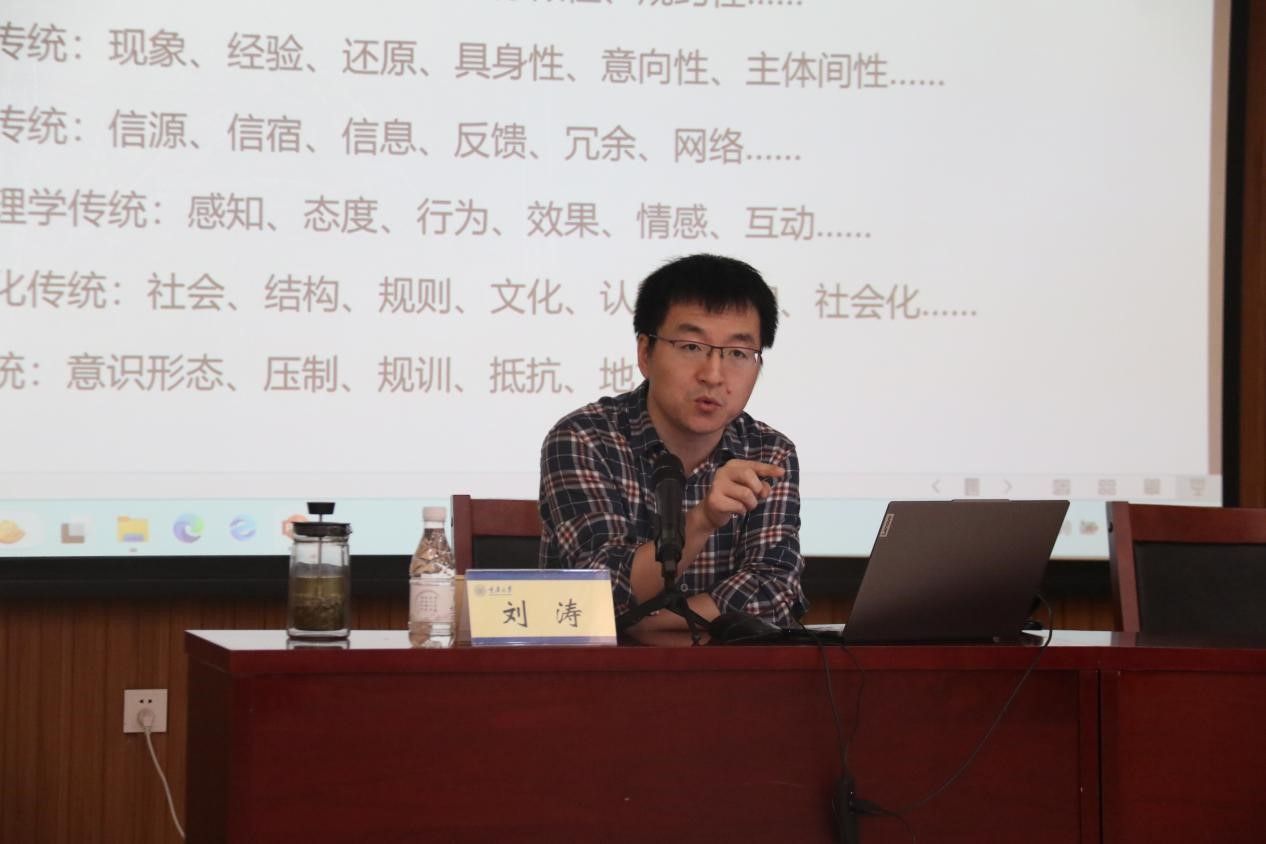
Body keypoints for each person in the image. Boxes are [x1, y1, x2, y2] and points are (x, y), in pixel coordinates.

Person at [538, 253, 805, 631]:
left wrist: (647, 626)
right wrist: (702, 520)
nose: (713, 375)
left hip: (726, 667)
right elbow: (597, 592)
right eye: (691, 346)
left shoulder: (769, 452)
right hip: (597, 669)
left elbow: (773, 590)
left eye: (738, 353)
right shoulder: (584, 438)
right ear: (645, 353)